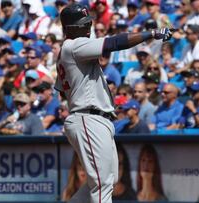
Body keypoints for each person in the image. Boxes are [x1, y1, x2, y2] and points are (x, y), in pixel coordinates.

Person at [55, 3, 173, 202]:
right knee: (102, 183)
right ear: (68, 28)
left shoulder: (69, 50)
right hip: (88, 118)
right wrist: (151, 33)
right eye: (82, 24)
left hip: (91, 117)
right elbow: (114, 43)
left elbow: (61, 90)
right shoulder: (74, 45)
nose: (88, 27)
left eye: (88, 22)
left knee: (106, 180)